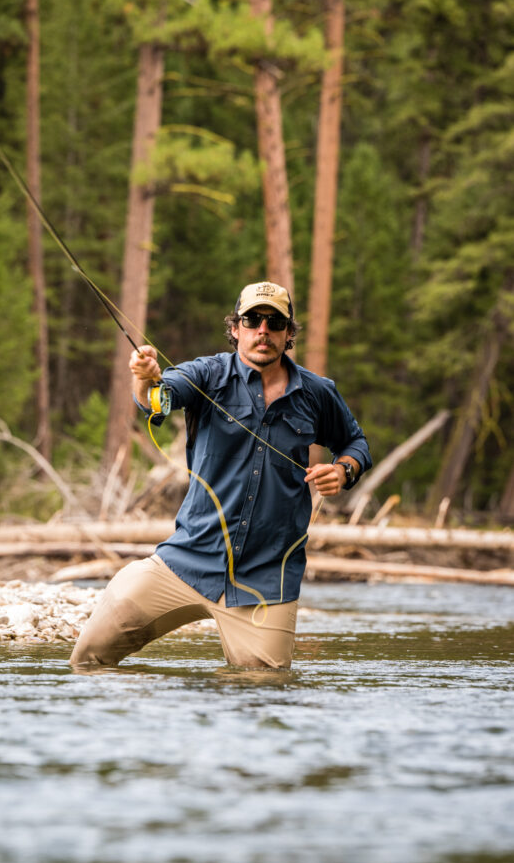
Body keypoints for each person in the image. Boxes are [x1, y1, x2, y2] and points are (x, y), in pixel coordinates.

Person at [70, 281, 371, 670]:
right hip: (185, 562)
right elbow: (157, 401)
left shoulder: (317, 393)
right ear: (235, 328)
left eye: (275, 322)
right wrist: (144, 379)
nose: (263, 330)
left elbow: (356, 442)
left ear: (288, 333)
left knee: (263, 692)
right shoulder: (206, 374)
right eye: (252, 320)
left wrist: (344, 470)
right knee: (88, 660)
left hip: (266, 582)